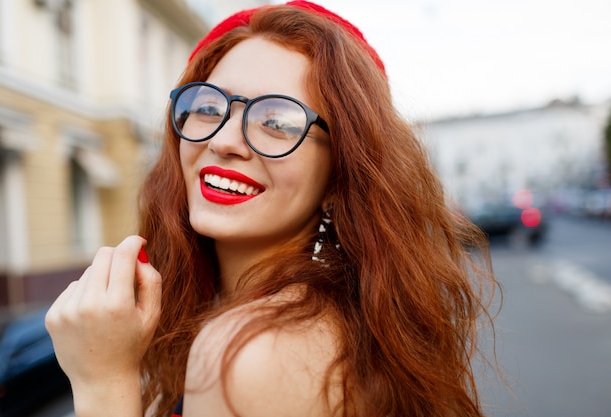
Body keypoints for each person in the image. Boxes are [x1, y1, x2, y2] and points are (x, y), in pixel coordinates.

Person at [45, 2, 500, 416]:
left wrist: (103, 381)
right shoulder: (326, 321)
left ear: (339, 177)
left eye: (277, 121)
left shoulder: (251, 351)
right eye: (207, 106)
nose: (223, 140)